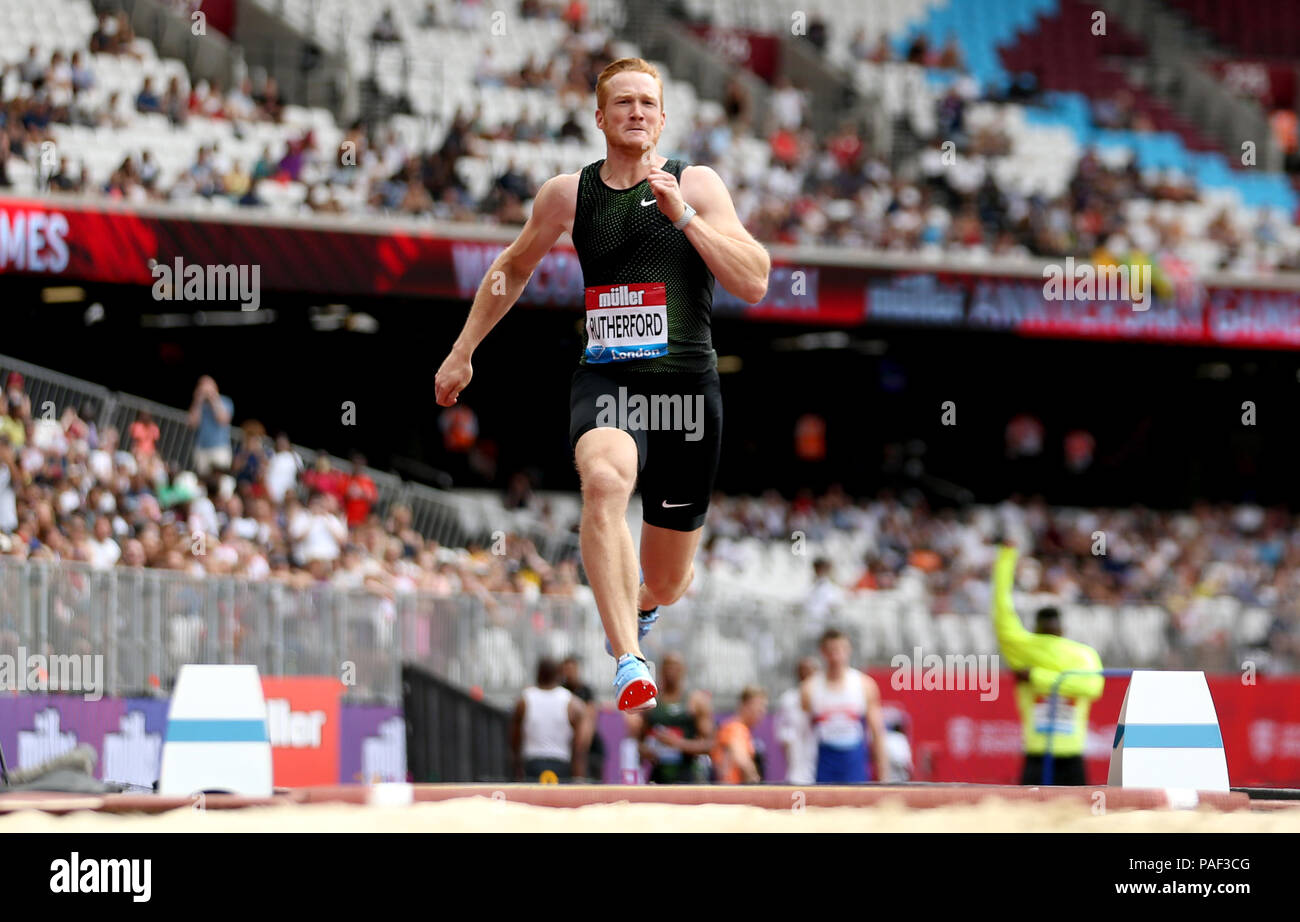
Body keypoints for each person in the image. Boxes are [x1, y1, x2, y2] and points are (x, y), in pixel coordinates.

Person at [434, 57, 770, 711]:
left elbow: (754, 280)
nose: (636, 111)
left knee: (669, 582)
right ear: (599, 117)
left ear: (664, 117)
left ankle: (643, 606)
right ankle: (627, 659)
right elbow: (513, 265)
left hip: (687, 392)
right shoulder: (569, 194)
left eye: (648, 101)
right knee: (605, 481)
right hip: (610, 376)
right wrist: (462, 349)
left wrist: (687, 220)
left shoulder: (696, 183)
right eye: (622, 103)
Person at [991, 540, 1103, 785]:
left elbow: (1001, 610)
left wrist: (1037, 677)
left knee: (1029, 816)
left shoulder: (1024, 649)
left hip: (1045, 755)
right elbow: (1091, 687)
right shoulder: (1082, 655)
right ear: (1063, 629)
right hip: (1057, 755)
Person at [802, 628, 889, 783]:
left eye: (841, 649)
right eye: (832, 650)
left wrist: (883, 774)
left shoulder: (864, 685)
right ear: (823, 652)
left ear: (849, 650)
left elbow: (877, 732)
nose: (836, 655)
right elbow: (802, 737)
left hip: (854, 761)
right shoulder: (810, 688)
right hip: (823, 763)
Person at [627, 652, 714, 783]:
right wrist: (646, 751)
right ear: (661, 670)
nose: (671, 672)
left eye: (675, 667)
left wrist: (678, 744)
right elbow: (639, 742)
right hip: (658, 774)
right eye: (667, 667)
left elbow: (709, 744)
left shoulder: (696, 702)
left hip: (687, 774)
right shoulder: (650, 701)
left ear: (683, 670)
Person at [511, 658, 592, 782]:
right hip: (561, 763)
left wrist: (517, 767)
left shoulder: (523, 701)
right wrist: (578, 776)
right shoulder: (573, 703)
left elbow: (515, 739)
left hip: (532, 762)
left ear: (537, 674)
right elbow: (580, 745)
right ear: (559, 675)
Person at [560, 654, 605, 781]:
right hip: (567, 740)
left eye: (572, 669)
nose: (569, 673)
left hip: (589, 742)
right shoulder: (561, 691)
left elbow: (591, 713)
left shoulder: (586, 690)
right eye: (566, 670)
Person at [775, 656, 819, 784]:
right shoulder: (788, 699)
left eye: (810, 671)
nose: (806, 674)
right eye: (803, 670)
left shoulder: (823, 697)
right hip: (798, 756)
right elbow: (782, 730)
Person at [712, 686, 767, 784]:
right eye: (759, 707)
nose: (762, 712)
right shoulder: (735, 728)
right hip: (733, 793)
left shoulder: (736, 728)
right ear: (745, 705)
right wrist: (756, 784)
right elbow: (741, 759)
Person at [187, 376, 233, 476]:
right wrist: (197, 400)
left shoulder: (225, 401)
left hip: (219, 448)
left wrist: (213, 398)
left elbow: (222, 420)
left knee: (220, 479)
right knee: (203, 479)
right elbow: (192, 424)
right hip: (202, 447)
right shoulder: (200, 404)